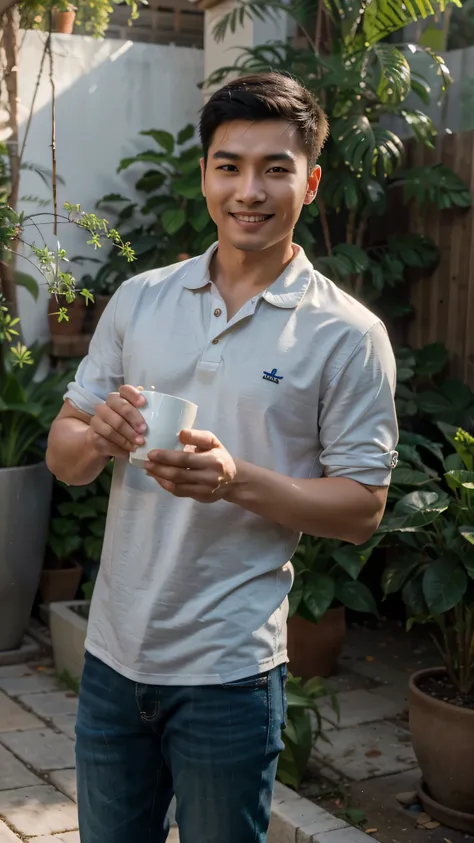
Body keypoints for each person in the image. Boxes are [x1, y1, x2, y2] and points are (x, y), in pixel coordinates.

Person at [46, 71, 398, 843]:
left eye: (275, 168)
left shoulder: (347, 333)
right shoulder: (140, 298)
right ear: (204, 173)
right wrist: (98, 435)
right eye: (229, 165)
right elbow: (64, 455)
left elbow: (361, 509)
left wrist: (236, 481)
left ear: (310, 180)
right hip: (111, 659)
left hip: (229, 671)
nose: (250, 190)